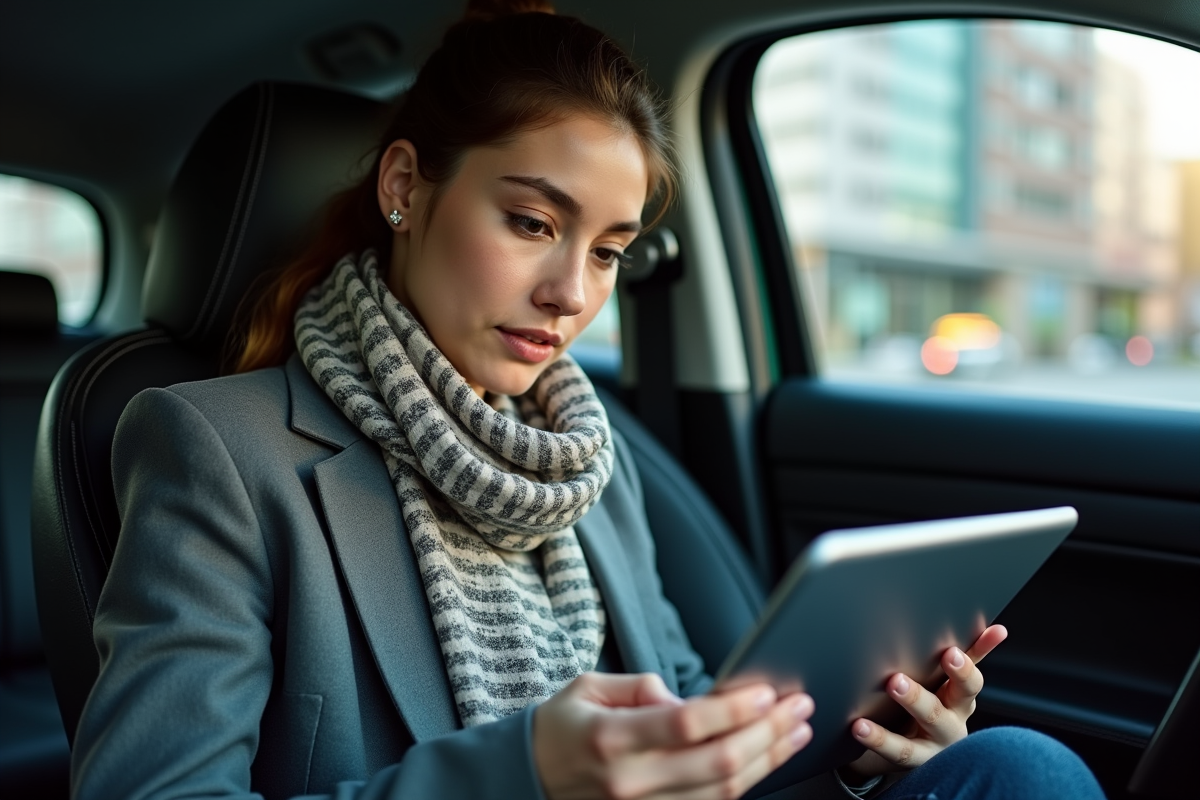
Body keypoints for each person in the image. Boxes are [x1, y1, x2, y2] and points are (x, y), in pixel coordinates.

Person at [70, 2, 1107, 799]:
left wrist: (860, 743)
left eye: (608, 249)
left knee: (1015, 763)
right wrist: (527, 773)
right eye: (530, 221)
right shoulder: (215, 447)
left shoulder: (584, 455)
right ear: (405, 187)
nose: (573, 293)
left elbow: (694, 710)